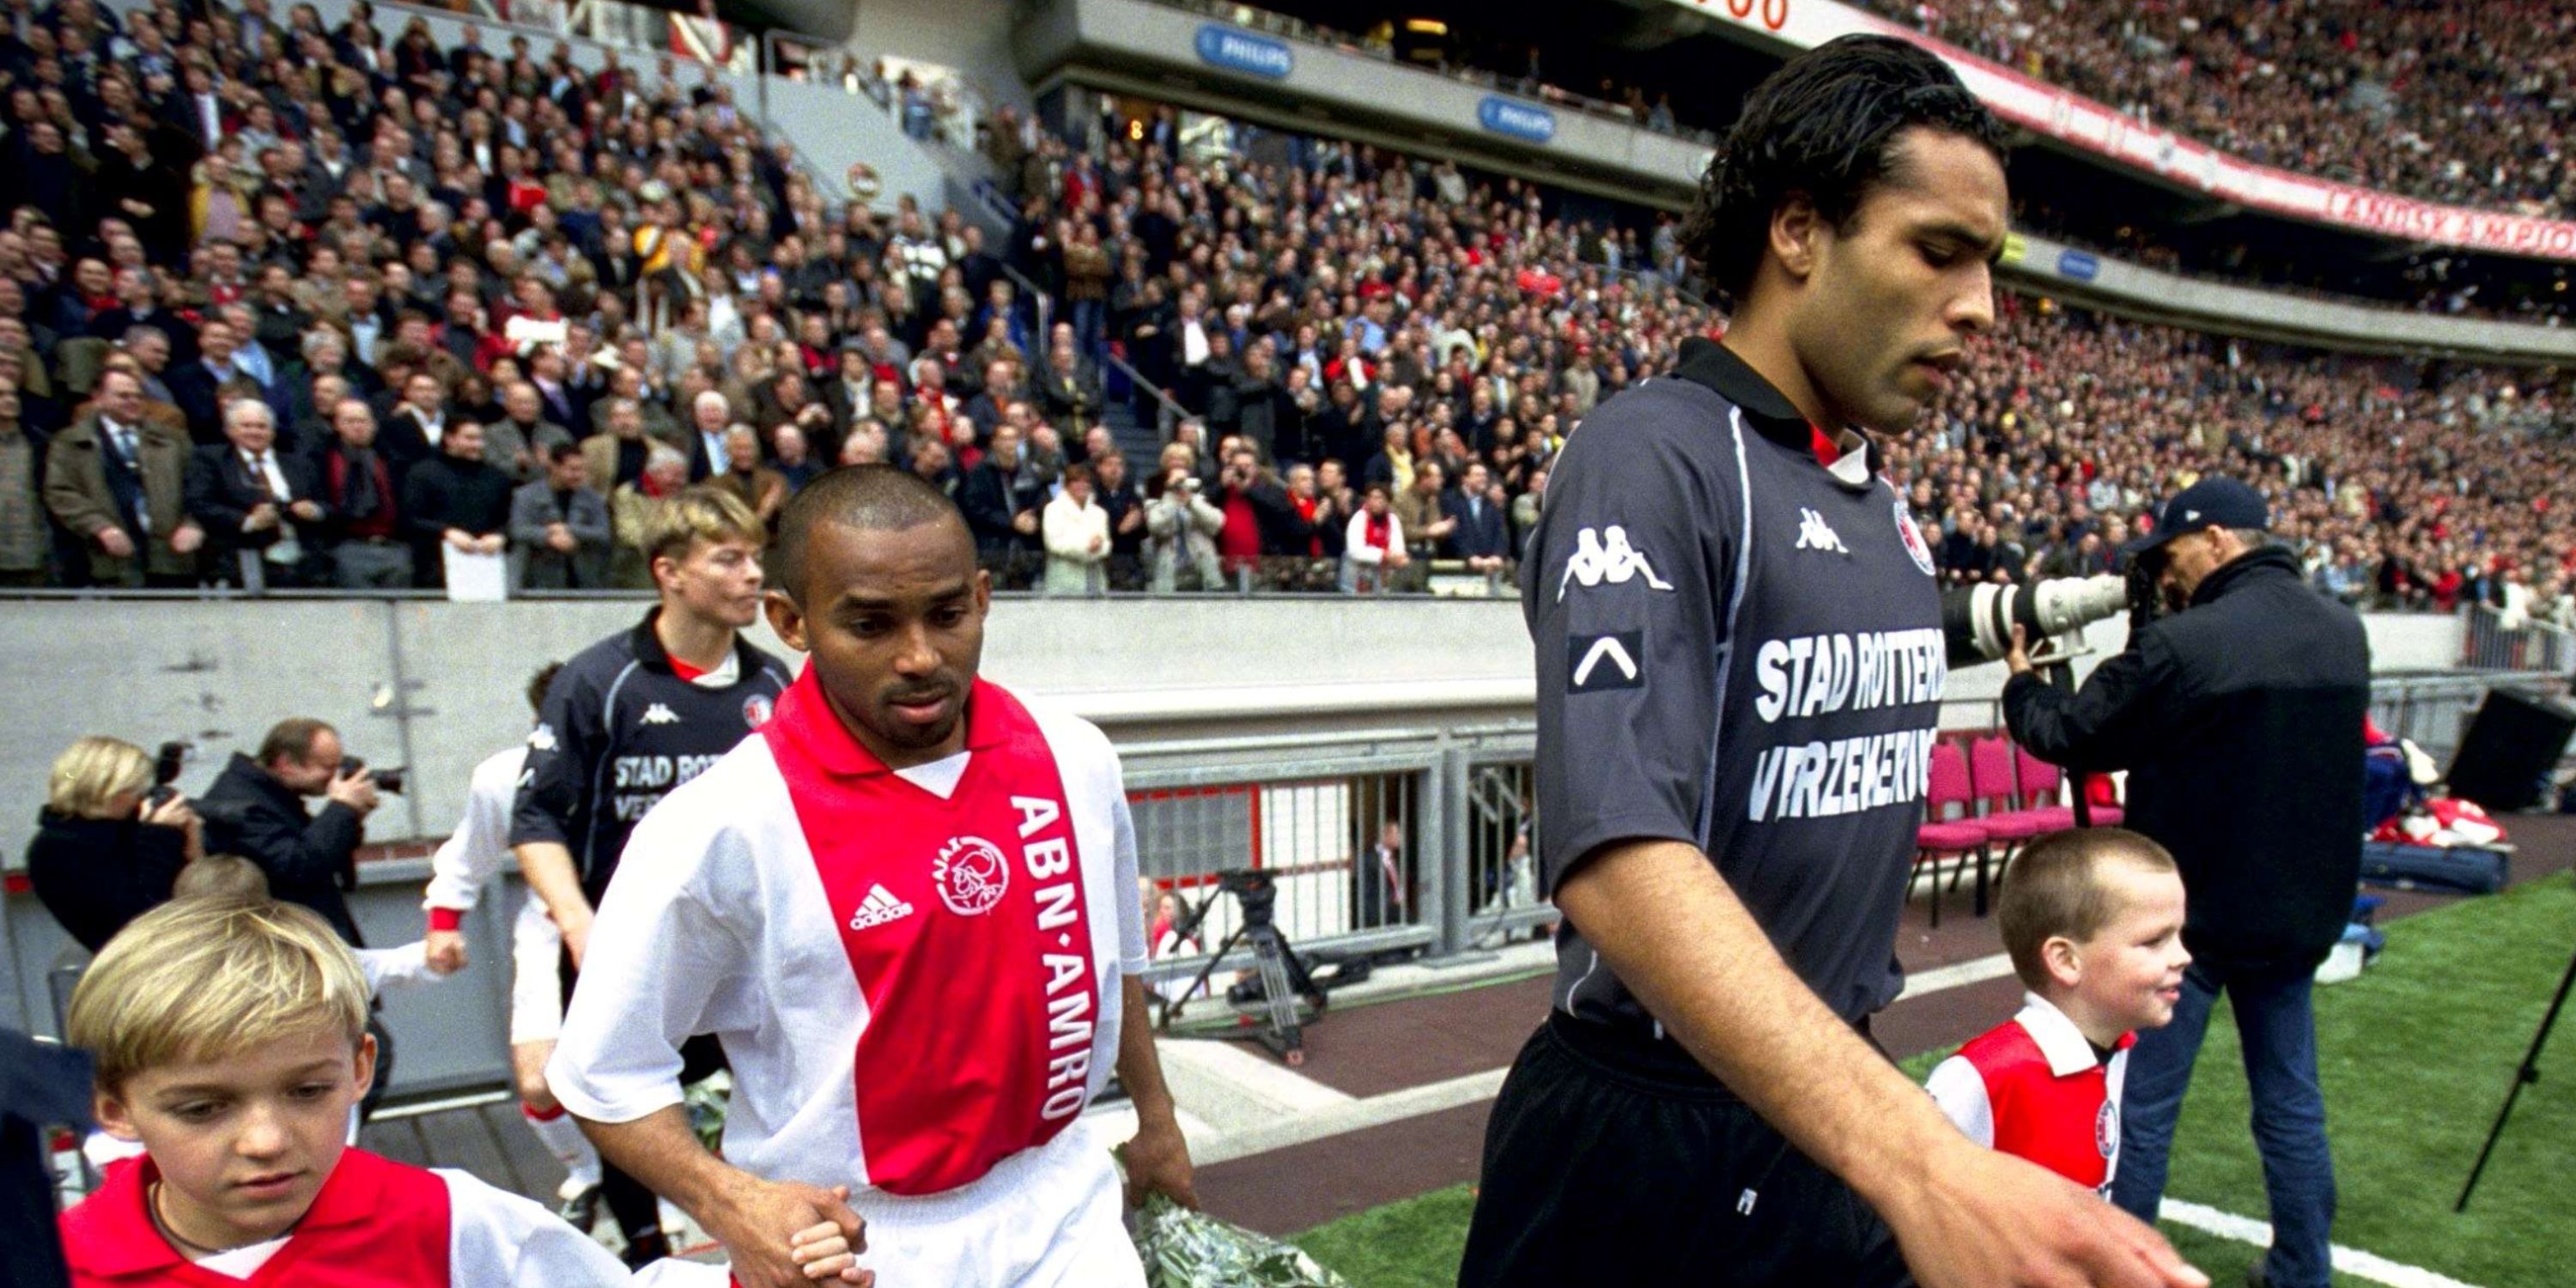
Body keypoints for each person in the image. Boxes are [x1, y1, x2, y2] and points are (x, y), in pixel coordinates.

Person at [1458, 36, 2202, 1288]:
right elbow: (1618, 859)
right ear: (1798, 230)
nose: (1980, 305)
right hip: (1649, 1130)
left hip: (1827, 1098)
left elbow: (1860, 640)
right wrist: (1922, 1159)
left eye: (1991, 265)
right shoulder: (1652, 455)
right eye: (1938, 249)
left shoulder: (1874, 497)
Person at [547, 466, 1197, 1288]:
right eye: (870, 625)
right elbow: (601, 1070)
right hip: (857, 1246)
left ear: (985, 596)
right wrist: (732, 1205)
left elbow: (1116, 959)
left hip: (1064, 1201)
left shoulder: (1075, 755)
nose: (921, 656)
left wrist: (1157, 1115)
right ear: (791, 620)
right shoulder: (721, 823)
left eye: (948, 614)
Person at [2003, 476, 2367, 1288]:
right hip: (2302, 913)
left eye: (2170, 558)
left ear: (2215, 542)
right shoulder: (2344, 631)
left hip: (2189, 917)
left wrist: (2023, 680)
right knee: (2291, 1105)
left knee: (2141, 1108)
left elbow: (2072, 733)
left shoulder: (2190, 643)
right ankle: (2303, 1270)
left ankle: (2122, 1271)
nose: (2165, 578)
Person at [53, 897, 732, 1287]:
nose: (265, 1140)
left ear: (360, 1067)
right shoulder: (50, 1266)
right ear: (112, 1107)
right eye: (202, 1108)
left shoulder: (450, 1220)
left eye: (306, 1090)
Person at [513, 486, 789, 1267]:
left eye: (756, 558)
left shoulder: (773, 687)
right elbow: (535, 821)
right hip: (624, 954)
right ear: (669, 572)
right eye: (728, 559)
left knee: (778, 1105)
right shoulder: (599, 682)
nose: (751, 577)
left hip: (747, 958)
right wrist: (577, 923)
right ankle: (637, 1258)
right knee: (623, 1112)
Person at [418, 662, 605, 1228]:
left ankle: (667, 1189)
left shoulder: (646, 765)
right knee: (537, 1081)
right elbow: (467, 855)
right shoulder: (502, 777)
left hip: (645, 936)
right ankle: (588, 1172)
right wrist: (444, 922)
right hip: (550, 936)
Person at [1925, 829, 2189, 1196]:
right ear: (2065, 960)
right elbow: (1910, 1195)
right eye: (2154, 942)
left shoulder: (2116, 1048)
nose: (2183, 957)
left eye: (2179, 936)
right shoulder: (1983, 1078)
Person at [196, 719, 381, 946]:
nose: (335, 778)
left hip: (305, 928)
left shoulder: (274, 794)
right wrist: (341, 808)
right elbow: (298, 865)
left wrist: (352, 815)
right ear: (286, 764)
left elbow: (324, 854)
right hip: (284, 938)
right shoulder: (240, 804)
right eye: (327, 768)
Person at [25, 736, 203, 952]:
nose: (140, 798)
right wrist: (158, 835)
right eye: (134, 790)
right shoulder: (57, 849)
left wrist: (192, 847)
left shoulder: (121, 828)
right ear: (107, 791)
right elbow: (142, 917)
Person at [513, 442, 614, 589]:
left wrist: (568, 529)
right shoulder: (526, 496)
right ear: (554, 467)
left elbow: (604, 533)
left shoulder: (593, 498)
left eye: (582, 470)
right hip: (540, 579)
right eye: (573, 469)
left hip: (584, 579)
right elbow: (518, 530)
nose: (579, 475)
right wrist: (549, 535)